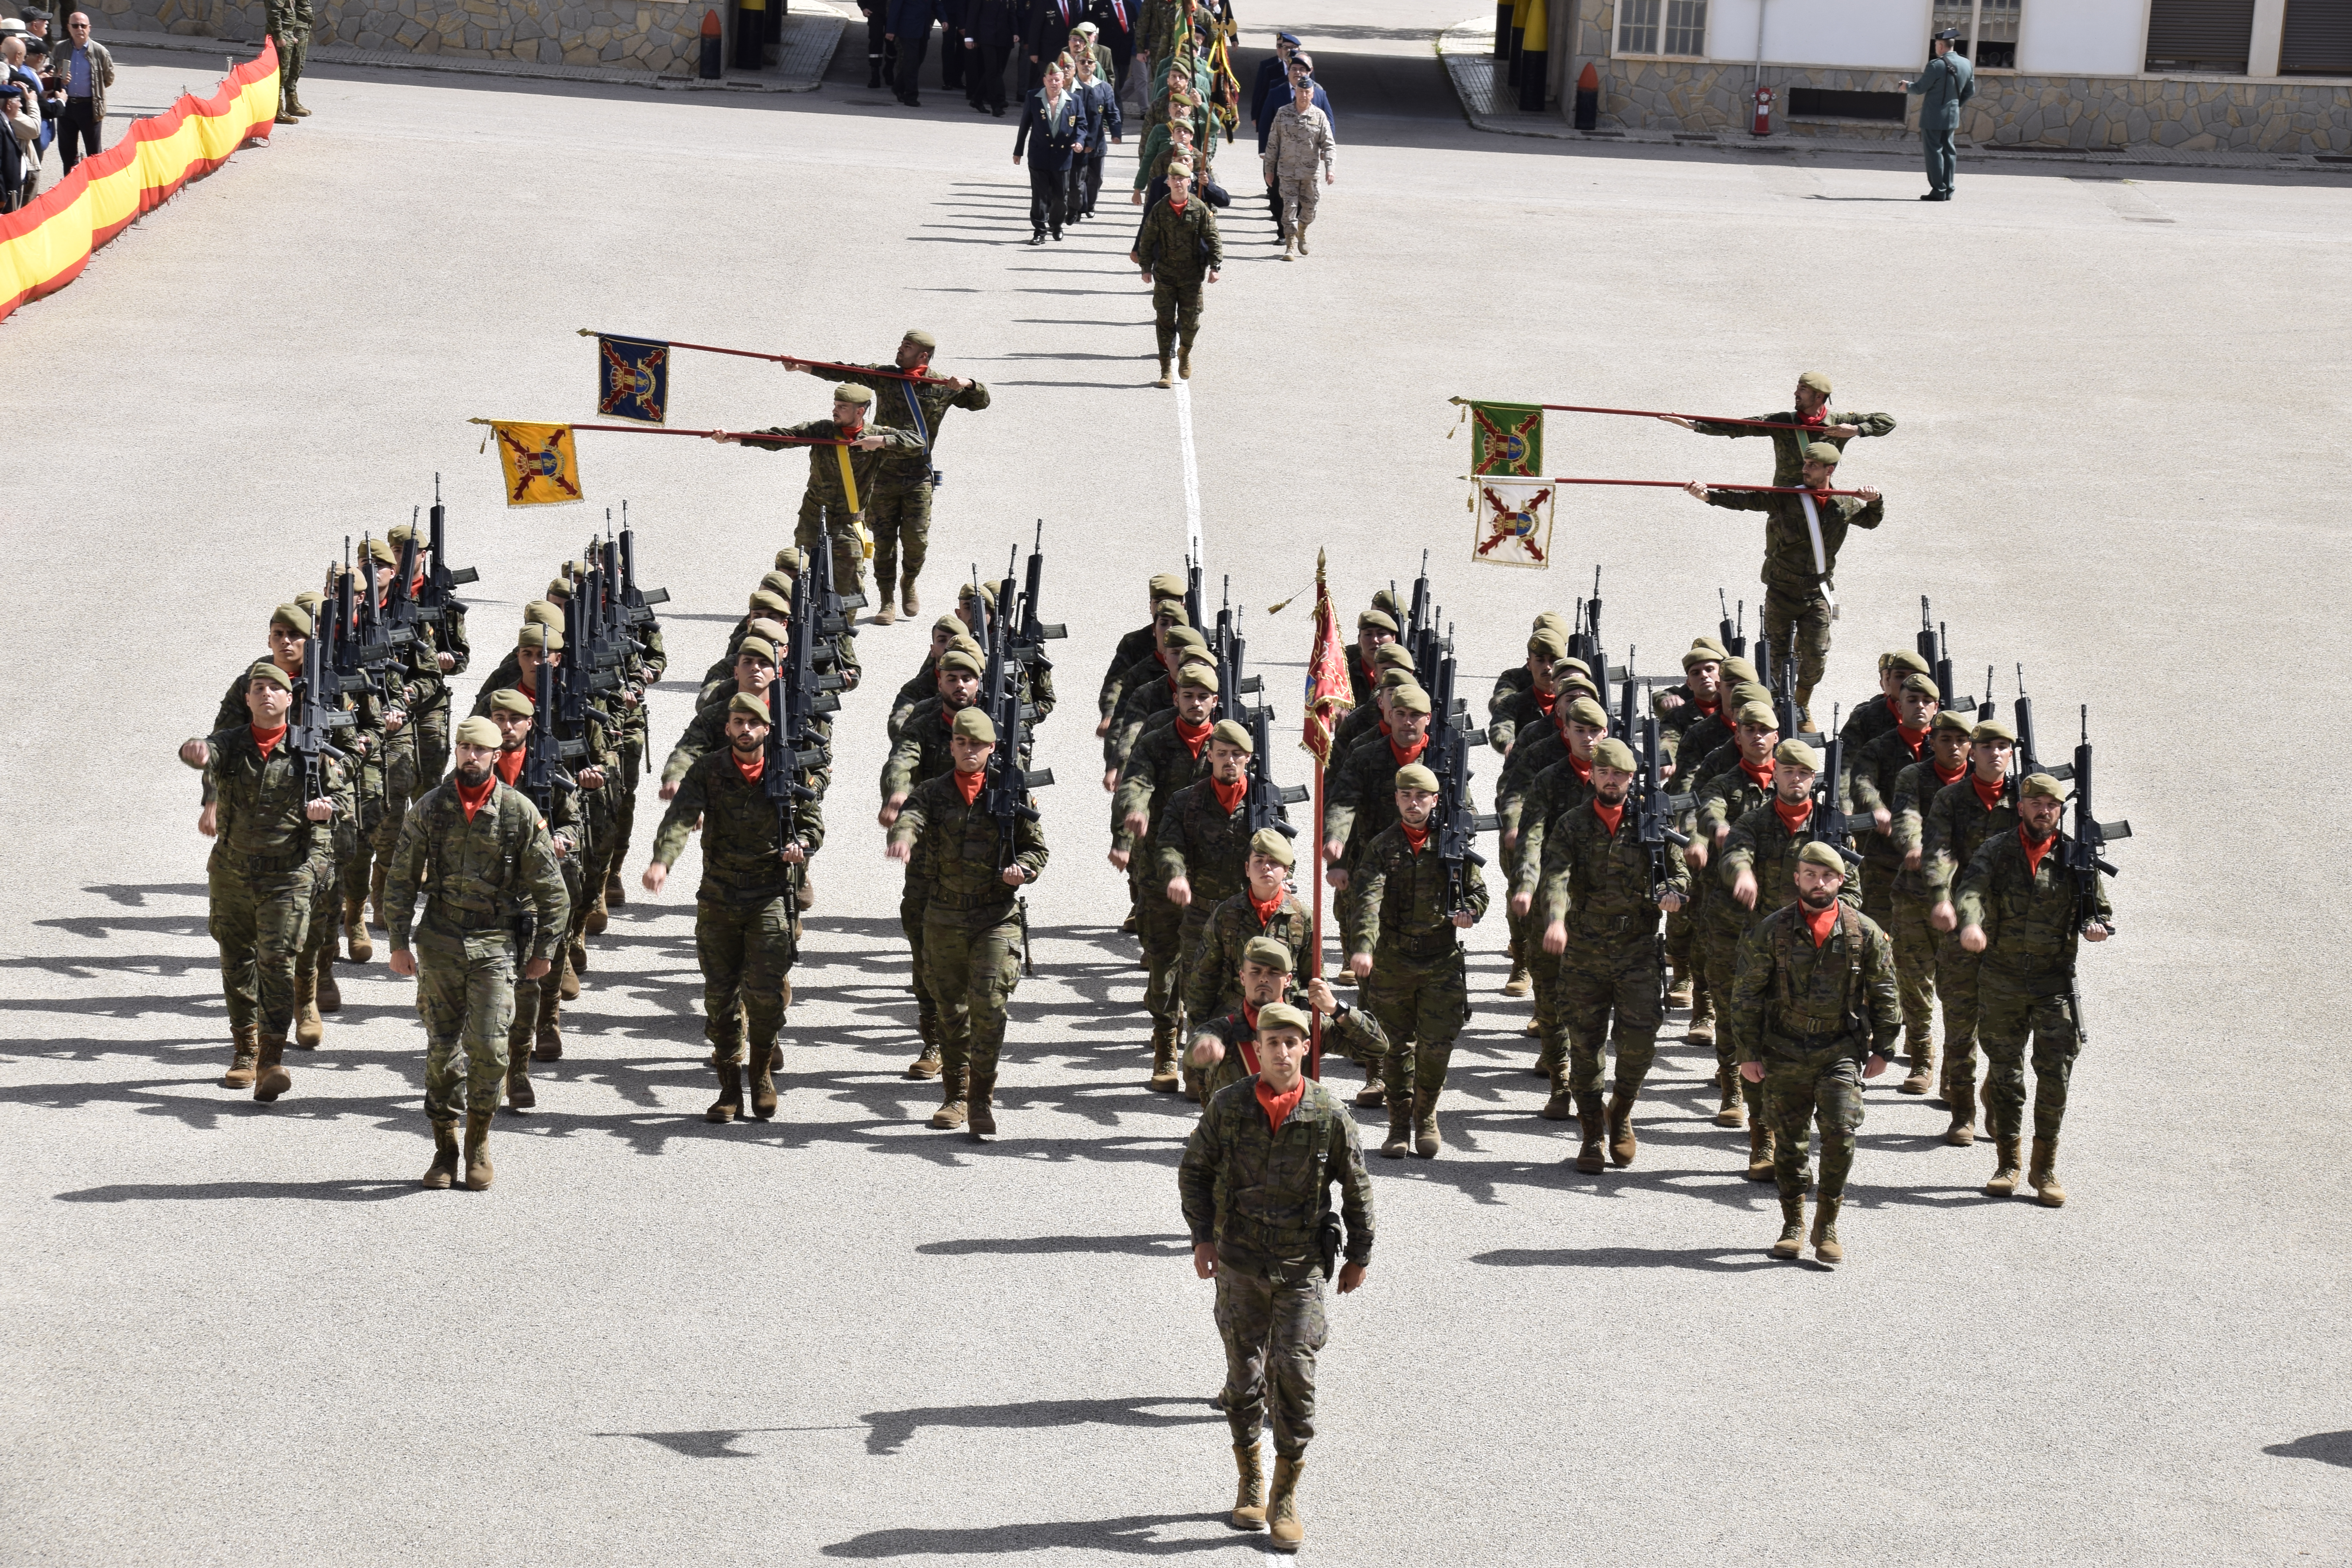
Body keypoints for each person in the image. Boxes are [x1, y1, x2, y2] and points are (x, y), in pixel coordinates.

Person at [1176, 1000, 1373, 1553]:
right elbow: (1194, 1170)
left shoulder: (1328, 1112)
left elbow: (1356, 1188)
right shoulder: (1229, 1106)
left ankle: (1285, 1494)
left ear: (1306, 1048)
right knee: (1244, 1378)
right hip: (1240, 1263)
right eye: (1272, 1043)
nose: (1283, 1052)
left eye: (1293, 1042)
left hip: (1301, 1266)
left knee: (1296, 1373)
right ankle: (1250, 1479)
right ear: (1257, 1050)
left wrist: (1360, 1255)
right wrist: (1202, 1238)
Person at [383, 715, 571, 1192]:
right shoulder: (430, 808)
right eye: (464, 747)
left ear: (495, 755)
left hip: (496, 943)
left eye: (479, 750)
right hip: (442, 939)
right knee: (442, 1049)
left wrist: (545, 952)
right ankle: (444, 1147)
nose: (470, 756)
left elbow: (554, 893)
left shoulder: (518, 812)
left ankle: (478, 1142)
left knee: (489, 1047)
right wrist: (399, 942)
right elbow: (401, 877)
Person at [646, 693, 826, 1125]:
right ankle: (728, 1085)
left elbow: (813, 823)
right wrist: (662, 860)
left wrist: (802, 845)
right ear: (727, 728)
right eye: (738, 722)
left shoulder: (790, 768)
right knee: (720, 996)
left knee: (765, 996)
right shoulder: (709, 769)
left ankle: (761, 1073)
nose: (745, 729)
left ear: (767, 729)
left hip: (769, 895)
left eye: (753, 723)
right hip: (720, 896)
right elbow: (680, 816)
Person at [1726, 842, 1899, 1266]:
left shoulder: (1865, 931)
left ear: (1841, 881)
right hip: (1783, 1048)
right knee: (1789, 1141)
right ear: (1797, 878)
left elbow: (1886, 991)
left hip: (1839, 1048)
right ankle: (1792, 1221)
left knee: (1841, 1132)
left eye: (1826, 876)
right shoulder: (1773, 929)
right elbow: (1746, 993)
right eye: (1809, 874)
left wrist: (1886, 1048)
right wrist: (1747, 1053)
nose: (1817, 883)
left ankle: (1828, 1221)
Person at [884, 707, 1049, 1138]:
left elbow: (1038, 849)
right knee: (951, 1010)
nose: (968, 750)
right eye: (961, 742)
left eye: (977, 744)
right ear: (953, 745)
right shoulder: (933, 791)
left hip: (996, 915)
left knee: (990, 1006)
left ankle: (980, 1098)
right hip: (944, 915)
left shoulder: (1012, 792)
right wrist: (902, 838)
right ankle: (954, 1094)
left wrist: (1024, 870)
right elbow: (912, 817)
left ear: (991, 748)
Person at [1954, 772, 2111, 1207]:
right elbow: (1970, 891)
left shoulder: (2075, 856)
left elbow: (2097, 910)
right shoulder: (1997, 850)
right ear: (2020, 806)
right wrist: (1970, 922)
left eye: (2053, 805)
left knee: (2056, 1072)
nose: (2045, 812)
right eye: (2036, 804)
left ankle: (2045, 1168)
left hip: (2054, 982)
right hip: (2002, 978)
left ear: (2061, 811)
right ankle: (2007, 1161)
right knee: (2006, 1072)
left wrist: (2096, 927)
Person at [1536, 737, 1689, 1173]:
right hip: (1584, 950)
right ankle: (1590, 1134)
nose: (1610, 780)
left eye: (1619, 775)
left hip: (1638, 949)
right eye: (1604, 773)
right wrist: (1555, 920)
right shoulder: (1572, 824)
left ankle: (1620, 1112)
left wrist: (1672, 894)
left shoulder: (1654, 821)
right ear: (1593, 775)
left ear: (1631, 779)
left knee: (1639, 1043)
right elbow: (1556, 875)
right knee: (1585, 1048)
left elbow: (1678, 872)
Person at [198, 662, 350, 1100]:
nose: (266, 694)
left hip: (287, 876)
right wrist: (199, 766)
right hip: (232, 873)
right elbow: (207, 757)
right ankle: (243, 1050)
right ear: (247, 699)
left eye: (275, 688)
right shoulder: (230, 744)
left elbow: (343, 795)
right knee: (236, 961)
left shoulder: (310, 749)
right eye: (258, 688)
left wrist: (328, 808)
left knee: (278, 963)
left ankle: (270, 1059)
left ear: (290, 699)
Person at [1683, 444, 1884, 732]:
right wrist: (1709, 496)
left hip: (1817, 593)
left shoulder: (1846, 503)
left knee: (1816, 655)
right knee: (1776, 657)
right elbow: (1748, 499)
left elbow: (1871, 521)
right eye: (1804, 463)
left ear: (1830, 470)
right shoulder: (1788, 496)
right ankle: (1777, 706)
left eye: (1812, 465)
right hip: (1782, 591)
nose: (1805, 469)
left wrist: (1875, 500)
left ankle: (1802, 704)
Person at [1345, 762, 1486, 1160]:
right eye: (1406, 795)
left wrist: (1469, 913)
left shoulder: (1454, 843)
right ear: (1396, 799)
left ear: (1435, 800)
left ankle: (1425, 1117)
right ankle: (1396, 1125)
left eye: (1421, 796)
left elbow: (1479, 893)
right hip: (1393, 959)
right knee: (1394, 1047)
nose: (1413, 803)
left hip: (1442, 958)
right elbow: (1367, 900)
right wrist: (1363, 947)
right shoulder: (1382, 846)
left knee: (1437, 1046)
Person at [806, 332, 991, 624]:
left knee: (916, 540)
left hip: (919, 474)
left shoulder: (941, 386)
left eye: (908, 348)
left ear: (923, 357)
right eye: (901, 345)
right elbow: (849, 372)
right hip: (883, 473)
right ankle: (887, 600)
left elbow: (981, 401)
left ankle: (909, 581)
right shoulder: (887, 377)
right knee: (883, 541)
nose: (900, 350)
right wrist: (805, 367)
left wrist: (968, 384)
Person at [713, 386, 919, 599]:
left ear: (860, 412)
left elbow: (918, 442)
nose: (835, 410)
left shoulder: (877, 435)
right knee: (801, 577)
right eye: (835, 405)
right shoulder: (823, 431)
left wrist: (883, 442)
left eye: (842, 407)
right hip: (812, 520)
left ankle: (843, 631)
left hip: (848, 524)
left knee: (850, 587)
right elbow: (783, 437)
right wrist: (737, 438)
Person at [1920, 717, 2018, 1144]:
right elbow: (1938, 850)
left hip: (2014, 933)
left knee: (2005, 1031)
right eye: (1987, 746)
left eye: (2003, 747)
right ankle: (1962, 1113)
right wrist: (1941, 896)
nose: (1995, 753)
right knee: (1961, 1026)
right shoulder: (1951, 798)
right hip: (1962, 924)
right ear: (1972, 753)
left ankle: (1995, 1104)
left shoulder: (2025, 800)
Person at [1655, 370, 1896, 488]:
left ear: (1819, 396)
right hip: (1786, 493)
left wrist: (1856, 430)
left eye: (1803, 389)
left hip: (1820, 491)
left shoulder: (1840, 421)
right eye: (1797, 387)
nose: (1796, 393)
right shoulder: (1783, 421)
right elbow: (1742, 426)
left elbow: (1887, 421)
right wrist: (1695, 426)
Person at [1133, 161, 1220, 387]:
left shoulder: (1199, 208)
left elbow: (1212, 237)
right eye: (1174, 179)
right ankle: (1165, 371)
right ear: (1169, 182)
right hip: (1165, 275)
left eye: (1182, 179)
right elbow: (1148, 238)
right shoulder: (1160, 209)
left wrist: (1215, 266)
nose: (1178, 183)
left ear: (1189, 182)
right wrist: (1145, 267)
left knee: (1191, 323)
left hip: (1192, 276)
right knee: (1164, 321)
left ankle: (1185, 352)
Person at [1261, 76, 1334, 260]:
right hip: (1287, 172)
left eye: (1307, 93)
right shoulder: (1283, 114)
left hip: (1310, 173)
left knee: (1310, 209)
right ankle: (1290, 246)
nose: (1303, 95)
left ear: (1312, 95)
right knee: (1289, 208)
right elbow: (1273, 143)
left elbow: (1329, 145)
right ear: (1295, 93)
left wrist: (1330, 168)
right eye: (1300, 92)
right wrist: (1269, 170)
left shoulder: (1319, 116)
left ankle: (1302, 231)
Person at [1013, 60, 1085, 242]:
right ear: (1045, 80)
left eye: (1058, 80)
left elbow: (1082, 125)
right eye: (1051, 80)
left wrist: (1079, 142)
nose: (1054, 84)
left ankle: (1057, 224)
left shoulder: (1074, 100)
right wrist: (1018, 151)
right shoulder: (1033, 97)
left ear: (1064, 82)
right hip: (1039, 154)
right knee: (1039, 196)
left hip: (1062, 157)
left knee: (1061, 197)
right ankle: (1039, 231)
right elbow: (1025, 125)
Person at [1900, 28, 1975, 201]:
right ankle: (1949, 189)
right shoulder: (1966, 64)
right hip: (1952, 115)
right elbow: (1970, 91)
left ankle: (1939, 190)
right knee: (1949, 151)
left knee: (1934, 151)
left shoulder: (1936, 65)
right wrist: (1956, 105)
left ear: (1941, 46)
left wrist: (1906, 86)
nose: (1936, 48)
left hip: (1934, 116)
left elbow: (1920, 89)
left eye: (1936, 45)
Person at [1067, 45, 1122, 220]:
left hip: (1097, 140)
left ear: (1095, 65)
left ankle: (1090, 204)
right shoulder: (1070, 87)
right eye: (1083, 61)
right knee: (1077, 179)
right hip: (1076, 141)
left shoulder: (1104, 87)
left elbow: (1112, 111)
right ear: (1076, 64)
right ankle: (1078, 207)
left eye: (1090, 62)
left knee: (1096, 178)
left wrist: (1116, 133)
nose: (1086, 65)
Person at [49, 11, 107, 174]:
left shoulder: (100, 52)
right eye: (75, 26)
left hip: (90, 108)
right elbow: (50, 76)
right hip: (66, 107)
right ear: (69, 28)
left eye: (83, 26)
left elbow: (108, 79)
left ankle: (97, 187)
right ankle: (71, 189)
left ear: (90, 28)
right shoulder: (60, 49)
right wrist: (58, 79)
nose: (79, 29)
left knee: (94, 154)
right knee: (67, 154)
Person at [962, 0, 1019, 114]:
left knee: (995, 70)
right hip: (986, 36)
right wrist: (969, 37)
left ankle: (977, 99)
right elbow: (973, 15)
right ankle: (995, 105)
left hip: (1003, 36)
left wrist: (1015, 32)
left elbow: (1011, 14)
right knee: (992, 70)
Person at [265, 0, 312, 121]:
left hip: (289, 32)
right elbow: (274, 13)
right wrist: (280, 36)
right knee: (282, 73)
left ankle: (290, 103)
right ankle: (276, 110)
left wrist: (291, 34)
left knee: (294, 68)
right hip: (283, 33)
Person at [886, 0, 935, 105]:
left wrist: (940, 20)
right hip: (907, 29)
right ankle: (911, 96)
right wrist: (890, 30)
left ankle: (898, 86)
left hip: (922, 30)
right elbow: (894, 8)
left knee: (918, 60)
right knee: (911, 61)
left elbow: (935, 4)